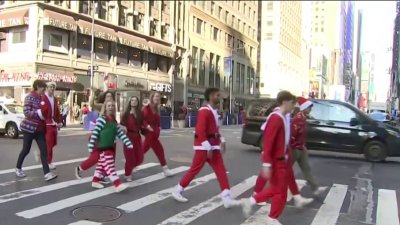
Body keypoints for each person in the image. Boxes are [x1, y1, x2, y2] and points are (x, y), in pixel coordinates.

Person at [172, 88, 239, 208]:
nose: (220, 98)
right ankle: (177, 190)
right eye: (217, 95)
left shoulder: (216, 111)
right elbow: (200, 130)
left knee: (221, 170)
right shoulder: (204, 110)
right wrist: (207, 147)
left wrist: (222, 140)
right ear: (211, 96)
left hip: (213, 145)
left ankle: (226, 197)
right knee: (195, 169)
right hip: (203, 147)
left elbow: (216, 129)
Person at [241, 91, 297, 225]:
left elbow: (281, 140)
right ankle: (271, 217)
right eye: (292, 103)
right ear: (285, 101)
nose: (293, 107)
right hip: (275, 161)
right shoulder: (276, 117)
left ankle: (254, 203)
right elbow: (268, 141)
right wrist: (266, 164)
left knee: (278, 190)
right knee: (280, 192)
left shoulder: (283, 117)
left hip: (281, 159)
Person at [15, 80, 57, 181]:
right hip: (29, 128)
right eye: (43, 87)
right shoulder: (30, 96)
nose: (45, 90)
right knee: (26, 150)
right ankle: (18, 168)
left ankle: (47, 173)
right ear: (38, 87)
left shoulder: (43, 97)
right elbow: (26, 112)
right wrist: (38, 113)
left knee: (44, 150)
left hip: (40, 129)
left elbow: (46, 111)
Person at [88, 100, 133, 192]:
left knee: (101, 165)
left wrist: (127, 142)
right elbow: (95, 133)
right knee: (110, 166)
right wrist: (91, 144)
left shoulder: (113, 121)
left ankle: (95, 181)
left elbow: (120, 133)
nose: (111, 107)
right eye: (109, 106)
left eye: (112, 105)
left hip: (110, 146)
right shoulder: (101, 119)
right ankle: (117, 184)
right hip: (103, 147)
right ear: (105, 107)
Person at [75, 91, 117, 179]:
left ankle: (100, 176)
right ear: (104, 99)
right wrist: (92, 94)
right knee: (96, 157)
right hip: (98, 136)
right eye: (107, 97)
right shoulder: (101, 106)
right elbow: (91, 104)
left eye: (110, 97)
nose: (109, 98)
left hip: (109, 138)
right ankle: (80, 168)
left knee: (109, 158)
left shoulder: (113, 109)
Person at [290, 97, 327, 196]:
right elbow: (292, 134)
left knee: (307, 169)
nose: (311, 109)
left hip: (301, 148)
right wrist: (294, 146)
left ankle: (315, 188)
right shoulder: (298, 118)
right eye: (309, 107)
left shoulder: (303, 117)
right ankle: (270, 191)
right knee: (284, 171)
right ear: (304, 107)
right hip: (295, 149)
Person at [142, 92, 172, 177]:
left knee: (142, 149)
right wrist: (147, 126)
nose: (157, 98)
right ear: (152, 97)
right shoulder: (147, 107)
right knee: (159, 150)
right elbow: (142, 118)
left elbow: (157, 121)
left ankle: (131, 162)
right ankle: (165, 169)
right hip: (149, 133)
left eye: (158, 97)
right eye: (155, 96)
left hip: (155, 133)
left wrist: (159, 127)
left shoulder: (157, 108)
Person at [120, 96, 143, 181]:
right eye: (132, 100)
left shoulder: (140, 113)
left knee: (140, 158)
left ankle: (130, 167)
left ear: (137, 103)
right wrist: (123, 128)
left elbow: (143, 124)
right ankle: (127, 174)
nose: (133, 102)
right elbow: (121, 125)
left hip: (137, 137)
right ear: (130, 102)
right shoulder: (126, 114)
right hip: (128, 136)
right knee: (130, 157)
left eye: (135, 100)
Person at [41, 81, 63, 169]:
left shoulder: (54, 99)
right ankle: (48, 162)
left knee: (53, 143)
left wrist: (59, 121)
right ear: (47, 88)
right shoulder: (43, 98)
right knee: (49, 144)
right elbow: (42, 111)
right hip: (47, 124)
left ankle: (41, 154)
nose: (52, 88)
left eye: (53, 87)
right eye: (50, 87)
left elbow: (56, 111)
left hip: (53, 123)